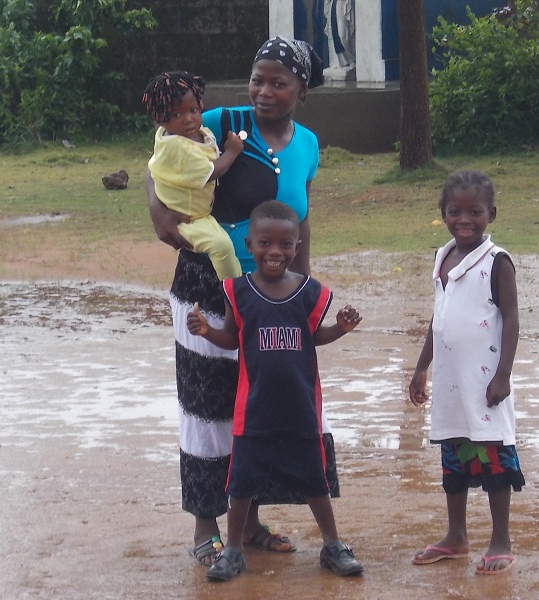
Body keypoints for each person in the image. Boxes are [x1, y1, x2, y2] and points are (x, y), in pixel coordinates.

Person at [146, 36, 333, 567]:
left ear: (301, 90)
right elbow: (159, 160)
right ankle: (206, 526)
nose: (263, 91)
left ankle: (248, 524)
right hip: (207, 284)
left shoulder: (308, 145)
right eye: (257, 80)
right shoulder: (221, 122)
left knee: (261, 405)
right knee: (207, 404)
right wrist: (158, 211)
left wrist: (303, 289)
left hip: (272, 293)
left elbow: (302, 219)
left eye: (278, 83)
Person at [186, 200, 365, 581]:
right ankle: (233, 551)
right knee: (241, 484)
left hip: (301, 408)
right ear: (249, 245)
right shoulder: (238, 291)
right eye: (265, 243)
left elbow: (314, 336)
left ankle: (332, 545)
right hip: (253, 411)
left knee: (315, 480)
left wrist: (340, 329)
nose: (275, 252)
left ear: (297, 247)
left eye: (285, 244)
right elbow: (233, 338)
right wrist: (206, 331)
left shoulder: (310, 292)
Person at [408, 170, 525, 575]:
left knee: (494, 457)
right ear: (443, 213)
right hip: (451, 384)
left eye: (475, 212)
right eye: (455, 211)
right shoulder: (443, 259)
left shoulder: (497, 262)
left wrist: (503, 375)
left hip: (485, 382)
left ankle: (500, 540)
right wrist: (421, 367)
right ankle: (456, 536)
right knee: (454, 455)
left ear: (491, 214)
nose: (464, 220)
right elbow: (439, 320)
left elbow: (511, 318)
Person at [142, 71, 244, 280]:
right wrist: (232, 152)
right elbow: (212, 172)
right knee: (221, 246)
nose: (188, 119)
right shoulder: (179, 148)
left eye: (193, 110)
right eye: (176, 115)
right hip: (186, 218)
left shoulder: (192, 133)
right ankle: (234, 289)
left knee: (225, 248)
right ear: (160, 118)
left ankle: (237, 279)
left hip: (197, 211)